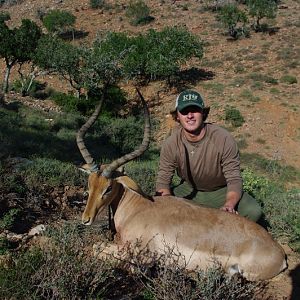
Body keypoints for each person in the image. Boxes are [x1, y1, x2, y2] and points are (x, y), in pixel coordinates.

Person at [155, 90, 262, 222]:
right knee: (153, 204)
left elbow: (234, 180)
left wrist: (229, 204)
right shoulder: (171, 143)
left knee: (253, 211)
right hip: (188, 189)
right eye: (184, 111)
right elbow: (163, 180)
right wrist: (166, 204)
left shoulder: (223, 138)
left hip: (219, 192)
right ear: (177, 116)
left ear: (203, 113)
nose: (190, 115)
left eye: (195, 110)